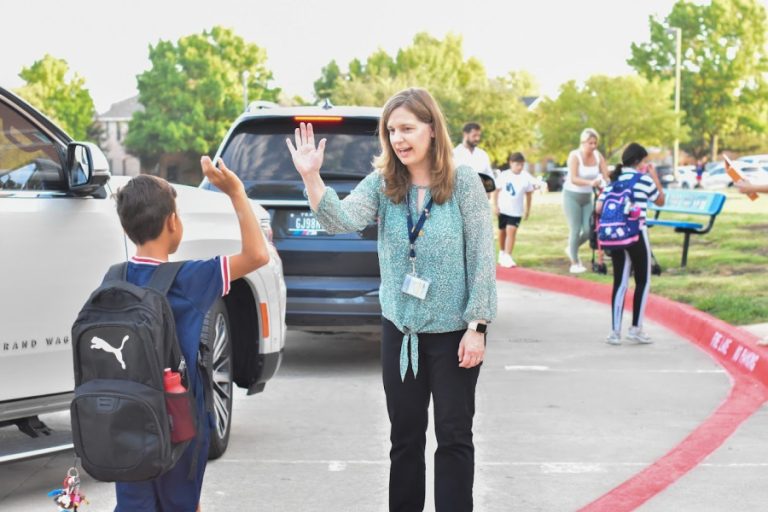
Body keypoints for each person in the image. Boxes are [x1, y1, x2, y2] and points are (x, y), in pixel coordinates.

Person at [286, 88, 497, 512]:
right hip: (401, 332)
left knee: (454, 437)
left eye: (408, 128)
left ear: (432, 130)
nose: (399, 139)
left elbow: (481, 257)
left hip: (455, 333)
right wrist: (312, 177)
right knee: (405, 438)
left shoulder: (463, 183)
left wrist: (477, 327)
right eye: (391, 130)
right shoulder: (384, 184)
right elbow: (339, 220)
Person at [112, 161, 269, 512]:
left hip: (125, 419)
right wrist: (236, 192)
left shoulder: (112, 279)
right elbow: (257, 254)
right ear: (172, 222)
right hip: (176, 420)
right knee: (180, 503)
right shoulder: (189, 278)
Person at [596, 143, 665, 345]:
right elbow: (660, 201)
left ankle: (614, 331)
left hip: (616, 235)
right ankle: (636, 328)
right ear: (638, 162)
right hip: (637, 233)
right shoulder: (644, 180)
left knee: (620, 282)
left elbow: (599, 207)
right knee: (642, 281)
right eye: (645, 161)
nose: (646, 165)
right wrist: (654, 177)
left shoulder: (613, 182)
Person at [563, 128, 611, 273]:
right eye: (590, 143)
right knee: (576, 229)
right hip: (572, 195)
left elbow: (606, 174)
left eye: (595, 143)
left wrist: (607, 183)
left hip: (587, 197)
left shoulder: (598, 156)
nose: (593, 146)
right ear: (583, 142)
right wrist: (591, 183)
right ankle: (574, 263)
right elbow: (574, 178)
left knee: (589, 229)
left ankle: (571, 248)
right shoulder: (574, 156)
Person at [493, 152, 535, 268]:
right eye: (517, 164)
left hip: (516, 211)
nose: (520, 167)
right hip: (503, 209)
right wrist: (495, 205)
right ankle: (502, 253)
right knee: (502, 231)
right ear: (511, 163)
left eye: (522, 165)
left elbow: (529, 194)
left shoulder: (525, 177)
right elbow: (496, 191)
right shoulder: (504, 175)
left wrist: (528, 209)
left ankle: (508, 255)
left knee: (511, 230)